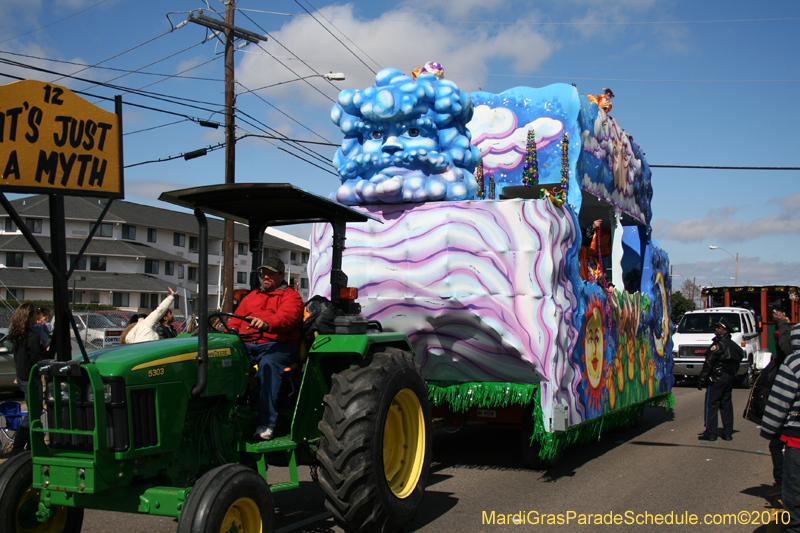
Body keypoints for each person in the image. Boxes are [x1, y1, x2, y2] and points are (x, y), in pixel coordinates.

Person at [226, 257, 303, 441]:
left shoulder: (291, 296)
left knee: (268, 363)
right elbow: (237, 318)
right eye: (264, 273)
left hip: (278, 345)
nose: (265, 276)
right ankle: (228, 414)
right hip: (248, 343)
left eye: (270, 273)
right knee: (223, 358)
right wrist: (232, 330)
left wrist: (268, 323)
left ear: (281, 275)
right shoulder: (251, 297)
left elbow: (288, 317)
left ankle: (266, 423)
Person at [760, 329, 800, 532]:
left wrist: (769, 429)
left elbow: (779, 402)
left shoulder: (793, 363)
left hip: (797, 441)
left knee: (795, 493)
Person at [758, 314, 796, 497]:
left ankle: (783, 484)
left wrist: (783, 324)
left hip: (792, 424)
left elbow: (780, 402)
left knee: (777, 445)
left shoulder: (793, 363)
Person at [7, 303, 47, 456]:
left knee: (34, 413)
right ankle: (18, 447)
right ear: (29, 317)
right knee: (33, 414)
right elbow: (37, 359)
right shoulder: (31, 336)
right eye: (36, 313)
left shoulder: (19, 334)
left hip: (22, 376)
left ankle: (32, 445)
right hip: (30, 378)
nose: (38, 315)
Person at [698, 317, 745, 441]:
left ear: (725, 330)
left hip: (717, 378)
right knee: (726, 405)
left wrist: (702, 379)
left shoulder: (718, 345)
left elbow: (709, 363)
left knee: (712, 405)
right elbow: (738, 359)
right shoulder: (735, 347)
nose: (716, 329)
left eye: (719, 328)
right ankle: (727, 433)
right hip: (729, 377)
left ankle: (711, 433)